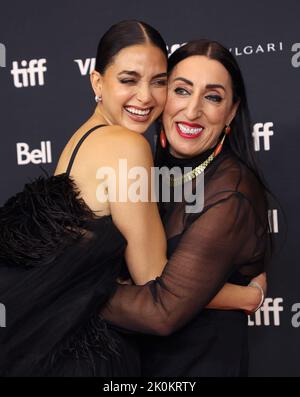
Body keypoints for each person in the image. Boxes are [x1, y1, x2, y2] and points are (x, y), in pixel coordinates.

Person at [0, 21, 264, 376]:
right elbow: (156, 283)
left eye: (158, 82)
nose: (145, 97)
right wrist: (246, 297)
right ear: (97, 82)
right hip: (82, 359)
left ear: (231, 110)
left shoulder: (82, 138)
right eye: (129, 80)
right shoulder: (127, 146)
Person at [101, 39, 271, 377]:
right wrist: (239, 296)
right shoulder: (146, 164)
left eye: (212, 97)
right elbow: (154, 273)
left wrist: (67, 292)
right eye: (181, 90)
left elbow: (162, 309)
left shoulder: (230, 193)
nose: (192, 111)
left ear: (231, 112)